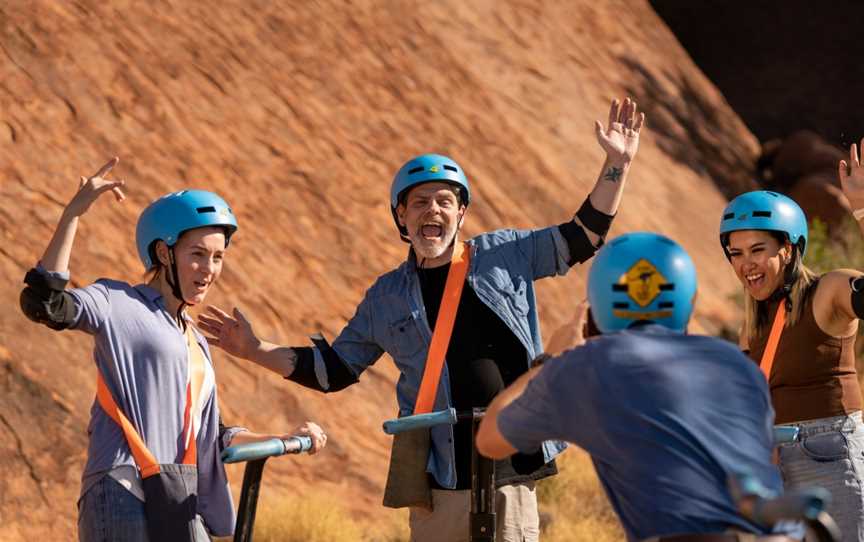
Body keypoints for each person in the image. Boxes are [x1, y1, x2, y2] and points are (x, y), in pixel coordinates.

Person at [199, 97, 645, 542]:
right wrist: (254, 351)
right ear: (401, 216)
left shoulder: (505, 254)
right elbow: (333, 370)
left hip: (513, 465)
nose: (432, 210)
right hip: (442, 482)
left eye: (445, 201)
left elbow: (584, 235)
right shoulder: (386, 298)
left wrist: (616, 165)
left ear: (461, 213)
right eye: (419, 202)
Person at [18, 158, 327, 542]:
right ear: (164, 254)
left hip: (178, 496)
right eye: (197, 254)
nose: (209, 268)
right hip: (121, 489)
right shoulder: (118, 301)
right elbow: (45, 304)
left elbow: (212, 437)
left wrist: (284, 440)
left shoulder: (196, 340)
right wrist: (73, 215)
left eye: (218, 257)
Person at [475, 231, 793, 542]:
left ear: (598, 304)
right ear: (686, 299)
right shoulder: (734, 363)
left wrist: (551, 362)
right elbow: (768, 460)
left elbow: (491, 439)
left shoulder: (586, 367)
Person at [716, 139, 864, 541]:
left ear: (789, 248)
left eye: (758, 249)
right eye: (736, 252)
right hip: (770, 468)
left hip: (829, 457)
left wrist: (862, 211)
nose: (746, 263)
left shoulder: (830, 290)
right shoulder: (754, 324)